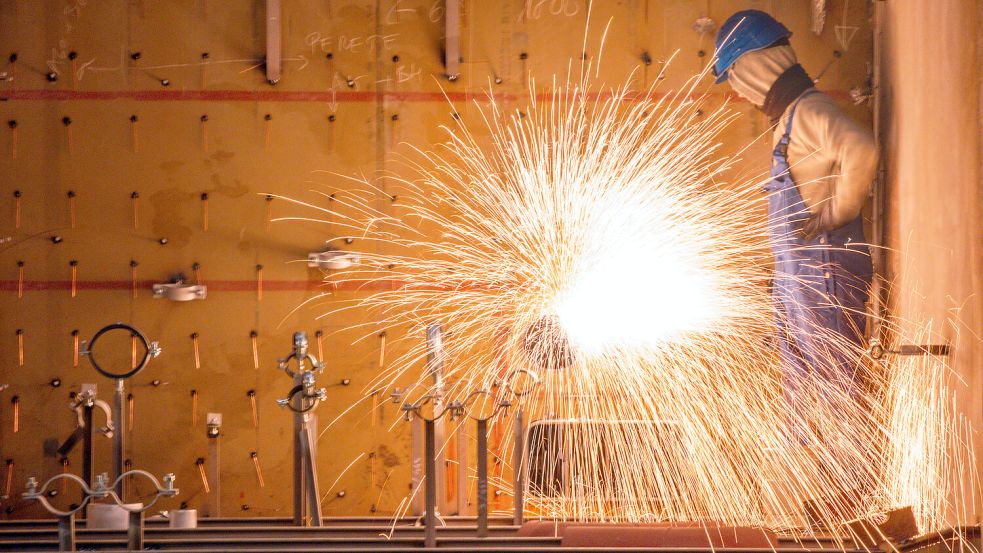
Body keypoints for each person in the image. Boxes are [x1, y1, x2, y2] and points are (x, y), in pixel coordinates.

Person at [713, 9, 877, 523]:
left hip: (824, 273)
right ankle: (827, 487)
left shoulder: (807, 110)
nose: (737, 92)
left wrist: (837, 211)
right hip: (800, 279)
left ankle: (855, 491)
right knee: (804, 389)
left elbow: (862, 148)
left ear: (755, 66)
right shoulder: (789, 121)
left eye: (735, 78)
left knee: (835, 380)